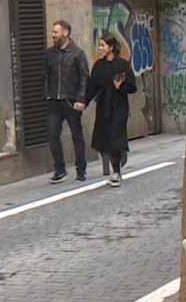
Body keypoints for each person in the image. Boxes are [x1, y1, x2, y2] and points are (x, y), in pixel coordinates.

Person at [80, 36, 136, 188]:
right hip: (103, 105)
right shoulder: (98, 66)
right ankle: (118, 156)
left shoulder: (122, 65)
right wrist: (84, 102)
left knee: (115, 135)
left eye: (102, 45)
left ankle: (116, 171)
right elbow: (92, 87)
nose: (100, 48)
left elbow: (132, 87)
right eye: (99, 45)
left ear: (111, 47)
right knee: (105, 138)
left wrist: (120, 87)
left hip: (119, 106)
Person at [42, 20, 90, 183]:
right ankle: (60, 169)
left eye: (56, 32)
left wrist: (81, 99)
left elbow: (84, 77)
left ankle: (81, 169)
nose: (53, 35)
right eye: (53, 32)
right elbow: (45, 75)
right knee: (52, 134)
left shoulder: (77, 53)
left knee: (77, 135)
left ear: (66, 33)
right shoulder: (49, 53)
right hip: (54, 101)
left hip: (71, 100)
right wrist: (47, 94)